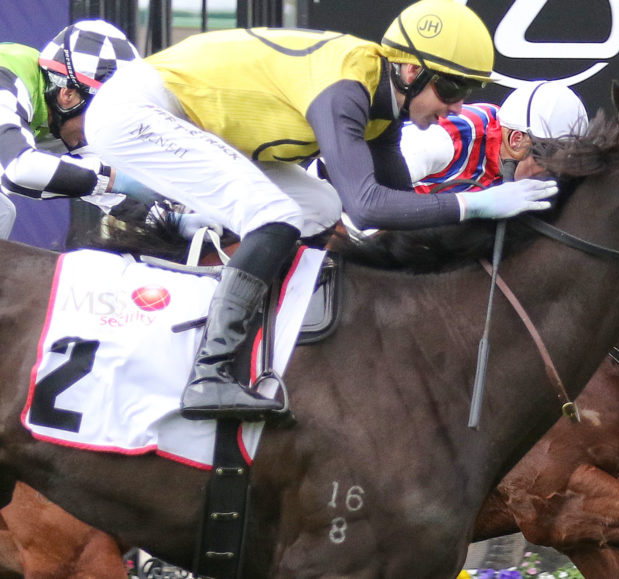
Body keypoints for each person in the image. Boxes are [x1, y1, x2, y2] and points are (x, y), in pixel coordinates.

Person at [83, 0, 559, 421]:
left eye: (468, 92)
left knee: (318, 205)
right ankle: (209, 373)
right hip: (139, 111)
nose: (457, 107)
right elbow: (368, 206)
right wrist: (476, 203)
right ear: (411, 72)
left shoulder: (384, 104)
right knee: (275, 215)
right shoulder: (347, 89)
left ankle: (286, 340)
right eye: (452, 89)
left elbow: (401, 209)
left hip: (193, 120)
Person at [0, 19, 150, 239]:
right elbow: (18, 171)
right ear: (68, 94)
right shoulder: (7, 78)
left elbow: (103, 187)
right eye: (102, 116)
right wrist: (115, 179)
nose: (101, 130)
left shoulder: (60, 112)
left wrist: (173, 221)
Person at [399, 81, 589, 193]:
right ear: (516, 140)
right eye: (547, 158)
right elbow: (380, 201)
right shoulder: (446, 138)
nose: (550, 174)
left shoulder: (509, 142)